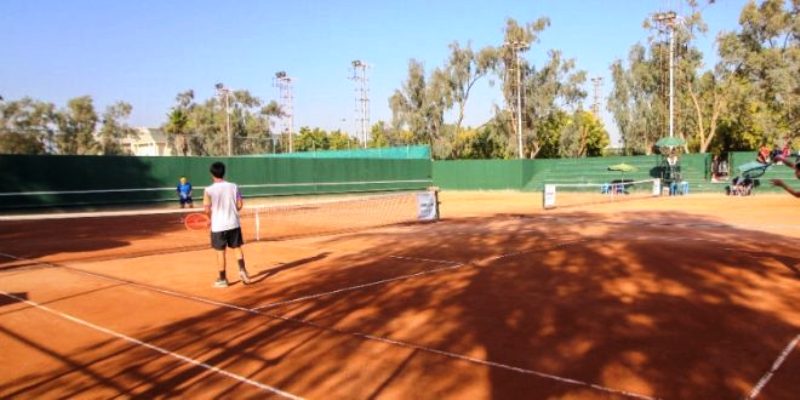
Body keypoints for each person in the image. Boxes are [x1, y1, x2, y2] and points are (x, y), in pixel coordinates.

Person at [203, 162, 251, 287]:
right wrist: (233, 211)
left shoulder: (208, 190)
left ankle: (223, 279)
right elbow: (240, 205)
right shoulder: (234, 186)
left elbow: (207, 209)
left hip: (218, 226)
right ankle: (242, 270)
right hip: (234, 223)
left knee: (220, 252)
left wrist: (210, 218)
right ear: (224, 172)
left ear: (211, 174)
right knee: (237, 248)